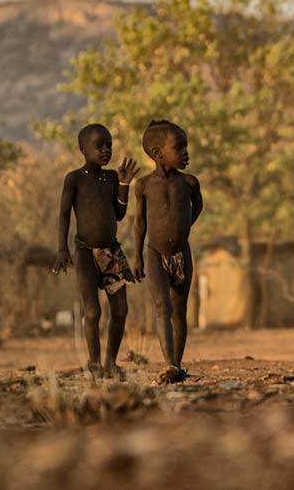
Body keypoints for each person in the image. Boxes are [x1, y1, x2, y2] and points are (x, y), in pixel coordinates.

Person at [52, 123, 141, 379]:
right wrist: (61, 249)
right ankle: (94, 364)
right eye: (99, 146)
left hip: (111, 253)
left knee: (121, 310)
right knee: (92, 310)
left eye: (109, 145)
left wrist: (124, 184)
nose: (106, 150)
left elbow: (120, 214)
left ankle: (111, 363)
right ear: (83, 149)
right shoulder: (75, 179)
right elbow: (63, 214)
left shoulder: (112, 177)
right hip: (84, 253)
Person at [131, 119, 203, 384]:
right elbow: (139, 223)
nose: (186, 152)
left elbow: (197, 208)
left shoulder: (189, 184)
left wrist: (182, 228)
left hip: (182, 254)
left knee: (179, 310)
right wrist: (137, 256)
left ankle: (177, 365)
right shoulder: (144, 186)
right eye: (179, 147)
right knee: (162, 308)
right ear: (158, 154)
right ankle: (169, 364)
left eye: (186, 146)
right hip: (154, 254)